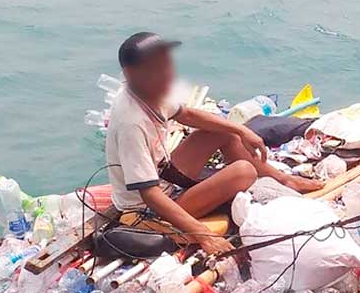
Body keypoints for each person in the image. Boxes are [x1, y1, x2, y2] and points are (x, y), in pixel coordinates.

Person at [106, 32, 320, 254]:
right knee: (243, 171)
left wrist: (240, 130)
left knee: (224, 132)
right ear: (132, 74)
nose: (167, 73)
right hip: (149, 209)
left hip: (163, 175)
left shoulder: (148, 90)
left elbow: (186, 114)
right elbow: (149, 194)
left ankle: (284, 180)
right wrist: (203, 235)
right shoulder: (131, 123)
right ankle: (200, 208)